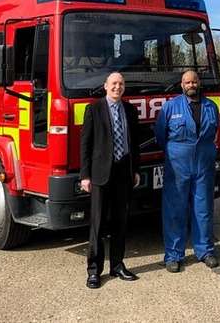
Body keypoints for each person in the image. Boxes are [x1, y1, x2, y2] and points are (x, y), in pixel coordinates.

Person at [154, 70, 220, 272]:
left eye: (194, 81)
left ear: (199, 83)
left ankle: (205, 251)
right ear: (182, 85)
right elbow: (160, 136)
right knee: (175, 210)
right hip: (178, 166)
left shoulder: (211, 107)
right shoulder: (170, 107)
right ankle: (173, 255)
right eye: (187, 82)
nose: (191, 84)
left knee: (204, 209)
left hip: (203, 164)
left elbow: (214, 132)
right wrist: (177, 152)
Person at [80, 72, 141, 289]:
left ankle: (117, 265)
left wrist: (136, 170)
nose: (118, 87)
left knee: (120, 223)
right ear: (105, 86)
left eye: (121, 84)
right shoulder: (93, 109)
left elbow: (134, 144)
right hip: (100, 174)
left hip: (124, 173)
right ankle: (94, 271)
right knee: (97, 224)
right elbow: (85, 144)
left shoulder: (130, 110)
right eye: (114, 83)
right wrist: (85, 175)